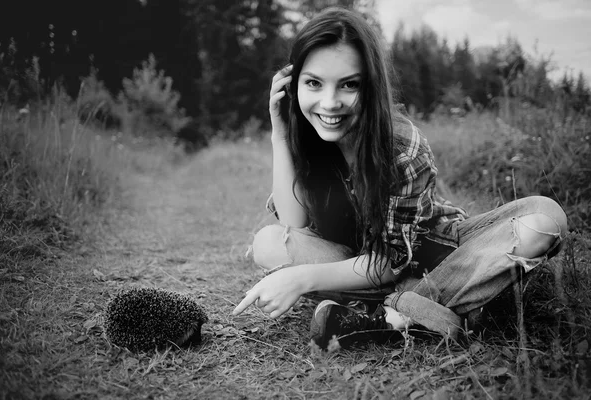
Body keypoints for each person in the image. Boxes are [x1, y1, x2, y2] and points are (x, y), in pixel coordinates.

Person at [231, 7, 567, 351]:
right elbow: (293, 223)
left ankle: (388, 315)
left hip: (432, 254)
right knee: (268, 243)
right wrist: (280, 133)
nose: (330, 103)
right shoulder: (306, 136)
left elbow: (390, 262)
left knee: (545, 218)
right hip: (356, 261)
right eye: (314, 83)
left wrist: (301, 277)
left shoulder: (402, 146)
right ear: (293, 83)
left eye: (349, 85)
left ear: (371, 86)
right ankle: (421, 313)